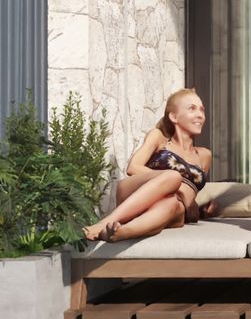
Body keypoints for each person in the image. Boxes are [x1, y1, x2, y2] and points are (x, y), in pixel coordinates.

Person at [82, 88, 213, 243]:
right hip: (134, 192)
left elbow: (190, 198)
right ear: (174, 116)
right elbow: (133, 168)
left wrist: (199, 208)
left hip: (171, 208)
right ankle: (105, 222)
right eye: (192, 108)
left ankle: (121, 232)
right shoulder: (159, 138)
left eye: (202, 110)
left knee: (173, 204)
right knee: (173, 176)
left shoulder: (204, 155)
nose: (200, 115)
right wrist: (175, 185)